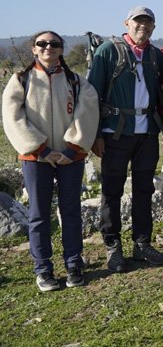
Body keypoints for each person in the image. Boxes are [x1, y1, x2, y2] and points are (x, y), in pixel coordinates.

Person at [2, 32, 99, 291]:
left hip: (70, 157)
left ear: (60, 49)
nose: (48, 48)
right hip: (36, 158)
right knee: (38, 214)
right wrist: (40, 149)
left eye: (54, 44)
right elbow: (13, 117)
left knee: (71, 211)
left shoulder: (75, 81)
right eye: (42, 44)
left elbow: (87, 111)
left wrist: (72, 148)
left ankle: (73, 264)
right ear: (34, 49)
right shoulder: (20, 80)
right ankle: (43, 269)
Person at [87, 6, 163, 272]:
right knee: (112, 191)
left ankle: (142, 243)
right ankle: (113, 246)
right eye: (138, 21)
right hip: (115, 132)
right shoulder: (108, 51)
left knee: (145, 189)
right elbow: (92, 94)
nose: (143, 25)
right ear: (127, 23)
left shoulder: (155, 55)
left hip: (147, 133)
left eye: (148, 22)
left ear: (154, 27)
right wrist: (96, 134)